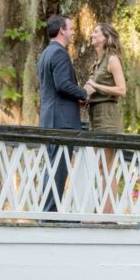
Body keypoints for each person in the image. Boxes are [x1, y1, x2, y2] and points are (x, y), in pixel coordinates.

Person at [38, 14, 88, 212]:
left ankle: (48, 210)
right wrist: (83, 93)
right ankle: (50, 213)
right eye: (71, 28)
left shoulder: (45, 54)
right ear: (62, 31)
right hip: (61, 120)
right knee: (58, 168)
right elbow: (63, 85)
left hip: (50, 117)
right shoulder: (59, 53)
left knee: (52, 166)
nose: (73, 32)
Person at [83, 23, 127, 215]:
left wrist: (96, 87)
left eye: (96, 32)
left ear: (106, 37)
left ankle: (109, 215)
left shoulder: (112, 60)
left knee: (107, 167)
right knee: (98, 166)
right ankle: (101, 211)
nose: (92, 35)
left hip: (108, 116)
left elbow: (122, 90)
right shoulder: (97, 62)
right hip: (95, 115)